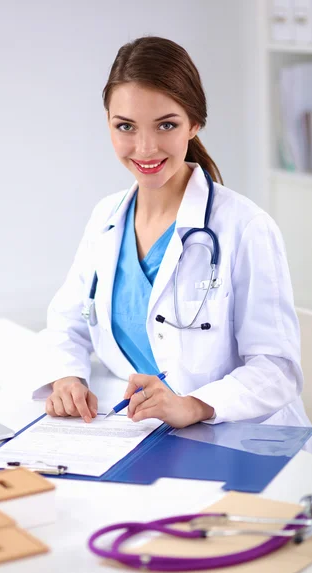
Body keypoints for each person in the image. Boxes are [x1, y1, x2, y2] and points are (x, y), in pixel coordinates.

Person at [32, 36, 311, 434]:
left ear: (194, 123)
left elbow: (277, 369)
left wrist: (195, 405)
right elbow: (66, 323)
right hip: (141, 435)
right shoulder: (105, 219)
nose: (145, 148)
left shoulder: (245, 227)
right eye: (125, 126)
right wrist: (67, 379)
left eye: (166, 125)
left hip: (243, 438)